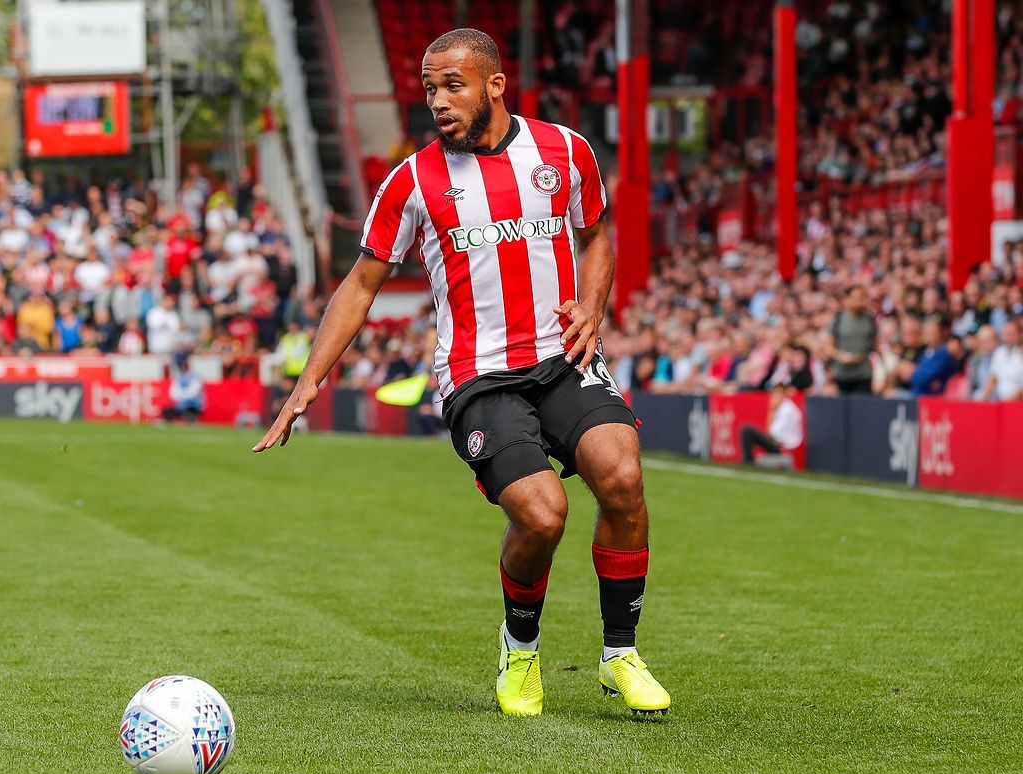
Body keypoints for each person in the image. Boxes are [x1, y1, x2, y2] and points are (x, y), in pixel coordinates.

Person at [253, 28, 670, 717]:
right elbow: (359, 285)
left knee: (623, 477)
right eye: (429, 90)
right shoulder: (411, 180)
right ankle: (520, 648)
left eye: (453, 86)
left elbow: (597, 236)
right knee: (542, 516)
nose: (439, 102)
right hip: (478, 376)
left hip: (562, 356)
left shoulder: (566, 151)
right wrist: (307, 382)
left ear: (494, 85)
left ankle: (620, 654)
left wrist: (593, 307)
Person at [739, 384, 803, 467]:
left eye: (778, 394)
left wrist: (771, 411)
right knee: (747, 430)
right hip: (779, 444)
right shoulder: (784, 407)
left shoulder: (787, 410)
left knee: (747, 430)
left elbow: (772, 434)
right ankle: (748, 461)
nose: (774, 397)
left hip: (783, 448)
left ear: (784, 395)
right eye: (774, 394)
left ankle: (748, 462)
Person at [828, 285, 877, 393]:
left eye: (862, 297)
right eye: (857, 298)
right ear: (847, 299)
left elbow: (875, 345)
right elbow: (829, 346)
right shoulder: (839, 320)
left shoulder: (869, 320)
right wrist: (840, 356)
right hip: (843, 374)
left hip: (863, 373)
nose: (860, 301)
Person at [163, 351, 206, 423]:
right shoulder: (179, 377)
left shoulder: (195, 377)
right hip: (181, 405)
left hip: (193, 405)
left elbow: (194, 392)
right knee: (167, 411)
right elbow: (174, 391)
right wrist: (181, 397)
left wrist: (183, 396)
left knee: (189, 413)